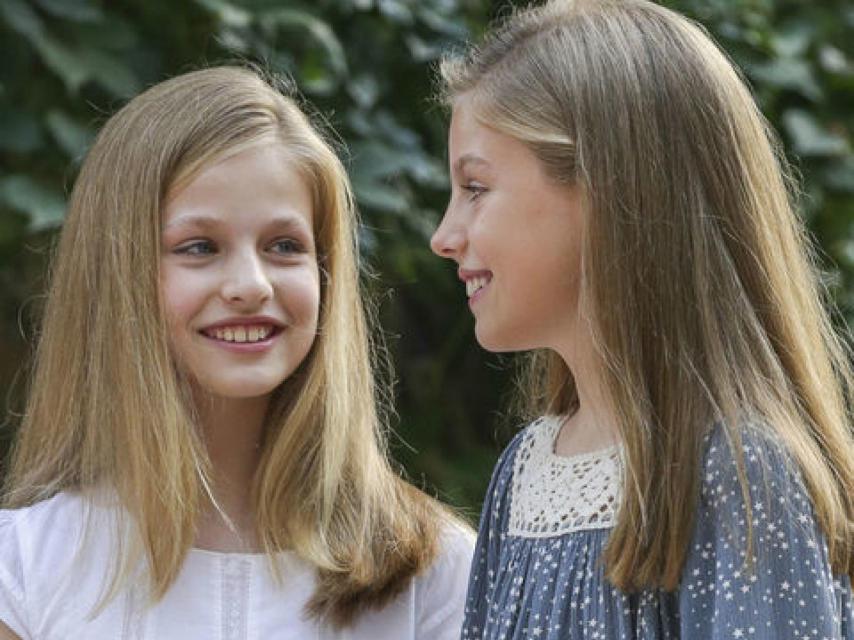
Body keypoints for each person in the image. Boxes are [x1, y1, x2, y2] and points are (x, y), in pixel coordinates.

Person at [0, 65, 472, 639]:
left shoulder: (435, 572)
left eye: (284, 246)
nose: (251, 285)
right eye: (199, 247)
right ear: (116, 273)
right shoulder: (23, 569)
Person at [430, 0, 854, 638]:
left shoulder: (739, 475)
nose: (443, 235)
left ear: (607, 192)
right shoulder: (525, 472)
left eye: (477, 188)